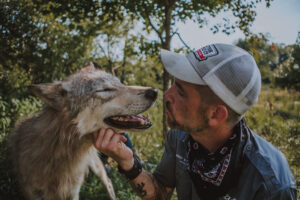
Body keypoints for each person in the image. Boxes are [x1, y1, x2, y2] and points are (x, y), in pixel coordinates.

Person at [93, 43, 297, 200]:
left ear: (216, 115)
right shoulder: (181, 137)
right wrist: (128, 162)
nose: (166, 95)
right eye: (173, 84)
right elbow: (159, 193)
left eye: (181, 91)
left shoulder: (271, 183)